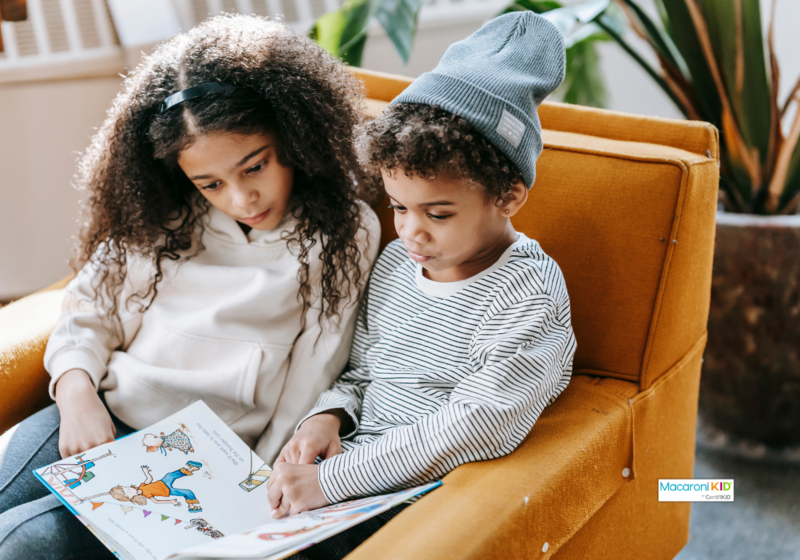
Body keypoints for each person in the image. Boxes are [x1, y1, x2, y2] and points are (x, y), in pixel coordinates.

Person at [0, 14, 380, 559]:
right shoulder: (167, 214)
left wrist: (258, 485)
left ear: (291, 136)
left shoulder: (344, 230)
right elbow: (90, 310)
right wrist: (78, 391)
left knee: (18, 544)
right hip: (99, 416)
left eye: (255, 166)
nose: (242, 198)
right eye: (211, 183)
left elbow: (315, 369)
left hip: (199, 461)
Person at [267, 11, 577, 558]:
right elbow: (364, 371)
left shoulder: (528, 292)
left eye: (437, 214)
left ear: (507, 196)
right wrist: (328, 415)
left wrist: (332, 483)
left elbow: (480, 424)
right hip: (345, 476)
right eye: (398, 207)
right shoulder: (394, 264)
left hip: (411, 500)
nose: (410, 232)